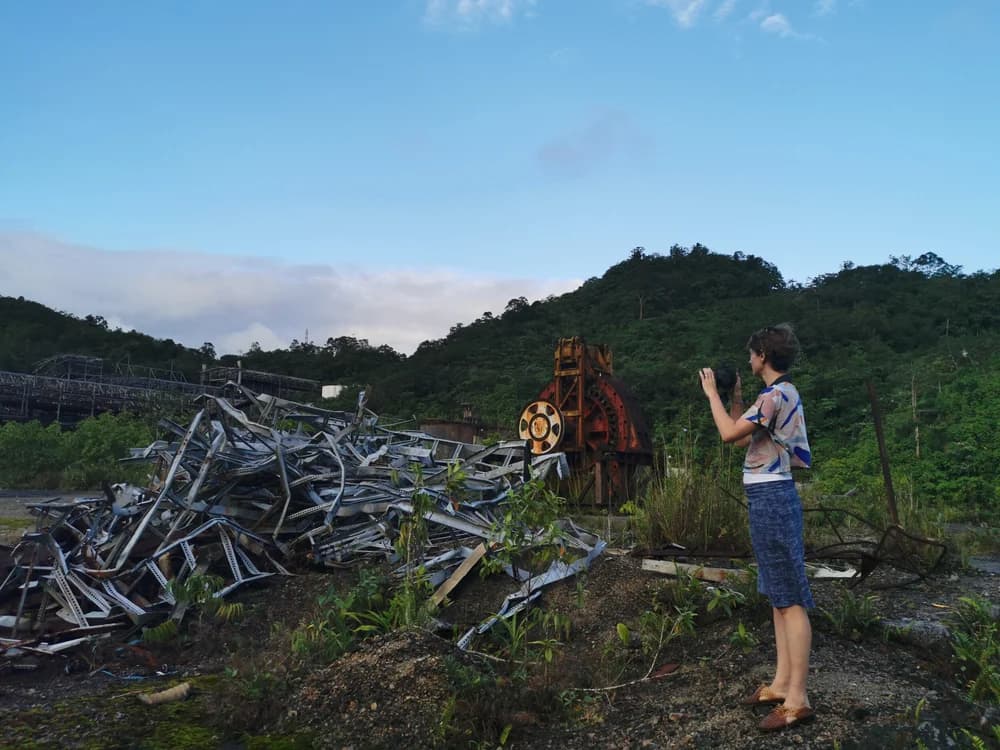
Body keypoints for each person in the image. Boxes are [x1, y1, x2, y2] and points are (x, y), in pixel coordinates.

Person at [698, 324, 815, 733]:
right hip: (766, 498)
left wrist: (711, 394)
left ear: (763, 355)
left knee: (790, 597)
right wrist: (732, 398)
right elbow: (741, 431)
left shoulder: (778, 394)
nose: (748, 361)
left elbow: (727, 434)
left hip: (773, 499)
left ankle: (798, 698)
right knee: (777, 595)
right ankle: (782, 682)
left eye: (752, 354)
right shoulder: (774, 396)